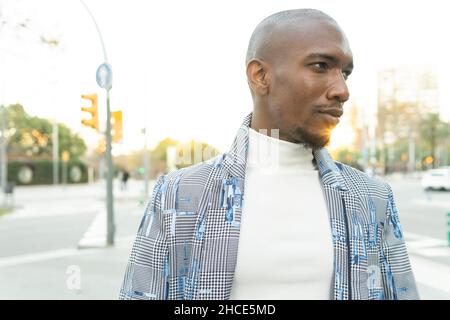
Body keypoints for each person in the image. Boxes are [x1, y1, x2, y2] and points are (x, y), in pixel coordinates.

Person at [119, 8, 419, 300]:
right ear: (260, 76)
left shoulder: (372, 196)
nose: (342, 89)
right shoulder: (178, 195)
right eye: (320, 66)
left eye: (346, 73)